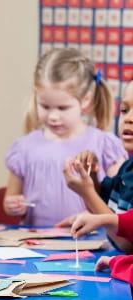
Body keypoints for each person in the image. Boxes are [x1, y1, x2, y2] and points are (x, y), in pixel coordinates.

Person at [3, 48, 127, 226]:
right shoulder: (24, 148)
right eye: (45, 106)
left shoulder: (104, 145)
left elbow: (122, 206)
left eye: (62, 108)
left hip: (90, 244)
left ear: (85, 101)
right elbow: (10, 199)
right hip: (37, 245)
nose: (53, 116)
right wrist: (12, 205)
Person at [58, 79, 133, 252]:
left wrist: (86, 192)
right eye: (124, 110)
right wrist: (90, 174)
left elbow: (126, 244)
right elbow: (99, 207)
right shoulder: (127, 169)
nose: (129, 119)